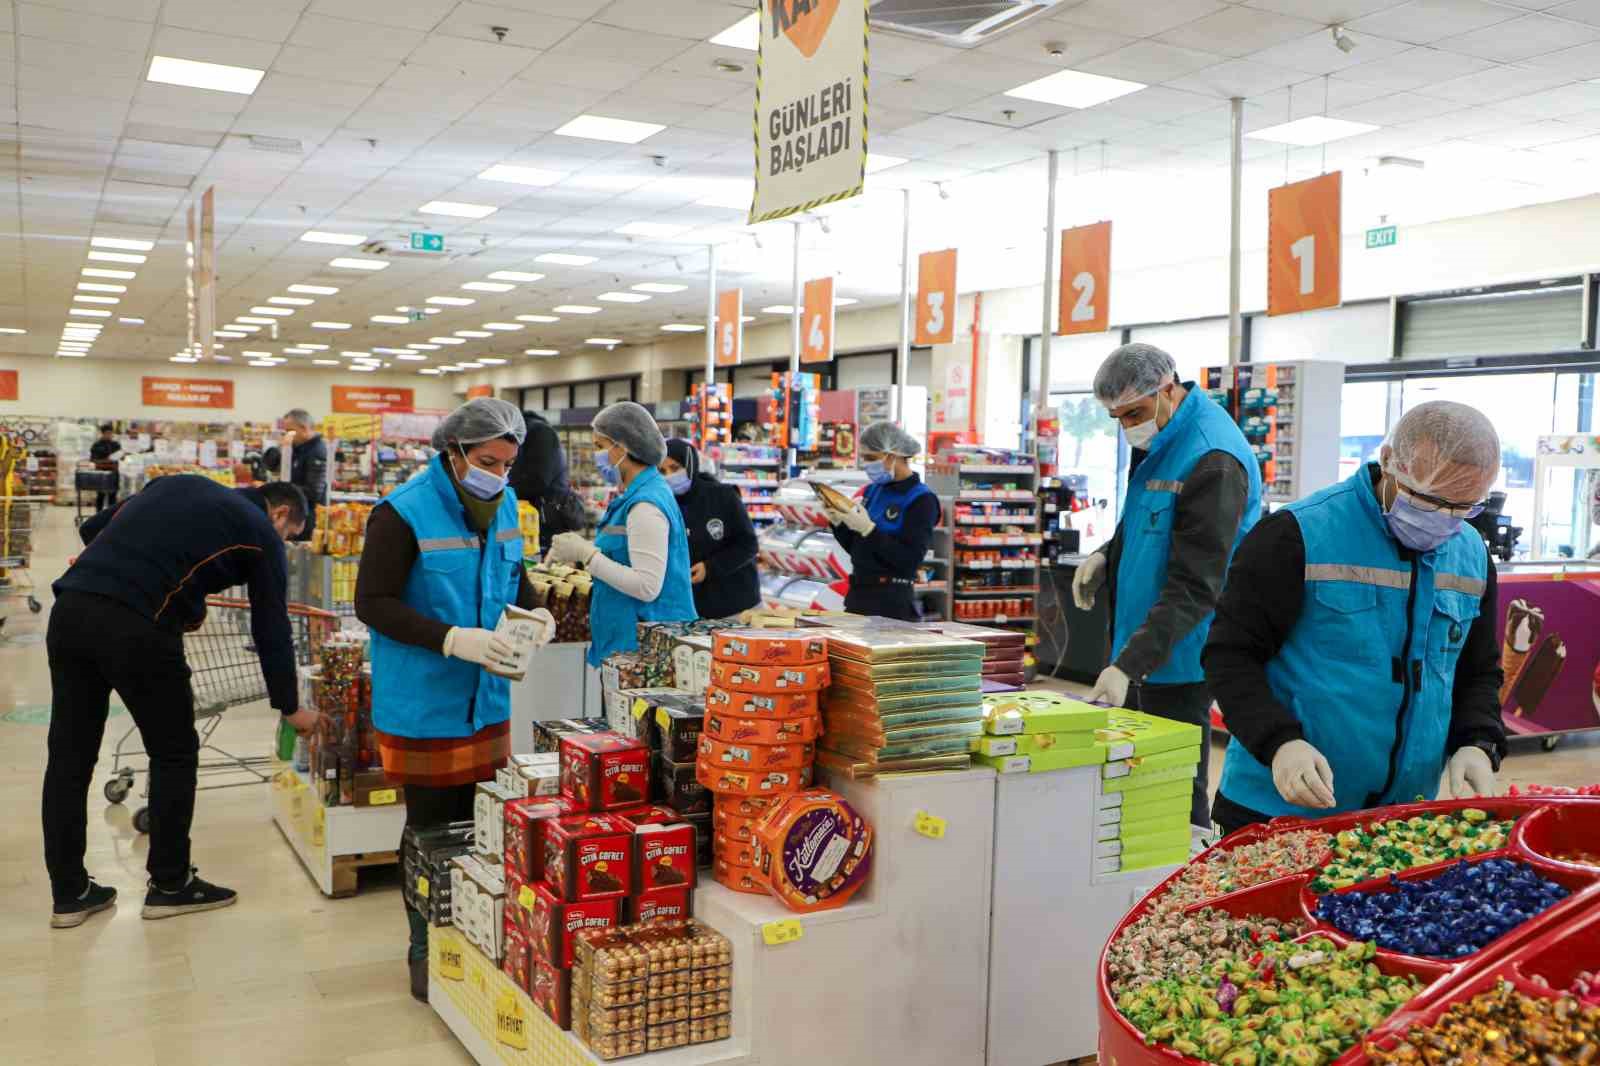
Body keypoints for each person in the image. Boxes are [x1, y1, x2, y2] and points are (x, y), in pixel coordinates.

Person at [1204, 401, 1505, 836]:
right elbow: (1229, 655)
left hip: (1402, 819)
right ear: (1389, 462)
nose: (1443, 521)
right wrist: (1278, 742)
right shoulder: (1297, 534)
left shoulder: (1471, 556)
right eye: (1428, 501)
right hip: (1276, 809)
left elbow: (1477, 670)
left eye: (1463, 507)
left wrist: (1477, 741)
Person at [44, 476, 318, 929]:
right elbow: (271, 626)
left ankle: (70, 893)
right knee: (173, 751)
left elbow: (93, 528)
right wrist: (290, 706)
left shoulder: (178, 485)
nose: (284, 544)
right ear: (281, 514)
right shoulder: (261, 533)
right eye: (290, 536)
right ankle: (171, 885)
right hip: (138, 626)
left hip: (70, 609)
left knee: (69, 757)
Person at [353, 397, 553, 1002]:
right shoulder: (402, 513)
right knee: (429, 827)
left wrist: (536, 612)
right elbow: (373, 603)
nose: (498, 474)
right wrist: (451, 639)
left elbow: (514, 577)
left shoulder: (507, 506)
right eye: (487, 461)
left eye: (508, 464)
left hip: (487, 699)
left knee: (480, 826)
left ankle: (470, 933)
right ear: (454, 452)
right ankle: (424, 947)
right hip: (425, 701)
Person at [1071, 343, 1261, 830]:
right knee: (1136, 779)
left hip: (1179, 655)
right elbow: (1145, 518)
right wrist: (1107, 554)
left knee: (1171, 788)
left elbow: (1197, 585)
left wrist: (1127, 665)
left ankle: (1183, 872)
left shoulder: (1213, 459)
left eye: (1133, 413)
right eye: (1116, 417)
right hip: (1141, 646)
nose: (1127, 427)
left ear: (1168, 388)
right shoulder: (1160, 438)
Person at [546, 401, 697, 665]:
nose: (597, 457)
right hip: (628, 643)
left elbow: (646, 586)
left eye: (600, 447)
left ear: (623, 447)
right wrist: (583, 551)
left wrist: (588, 555)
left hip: (645, 651)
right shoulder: (635, 496)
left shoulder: (646, 504)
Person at [823, 420, 940, 622]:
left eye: (871, 458)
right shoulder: (872, 491)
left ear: (893, 455)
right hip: (859, 594)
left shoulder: (921, 499)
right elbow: (858, 549)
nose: (866, 465)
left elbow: (909, 560)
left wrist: (869, 530)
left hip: (891, 601)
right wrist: (839, 524)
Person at [660, 438, 760, 620]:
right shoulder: (664, 503)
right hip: (692, 609)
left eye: (675, 468)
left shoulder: (723, 496)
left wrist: (710, 567)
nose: (669, 476)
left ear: (691, 465)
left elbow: (749, 544)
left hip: (735, 605)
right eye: (662, 471)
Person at [508, 408, 584, 552]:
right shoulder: (531, 432)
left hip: (544, 522)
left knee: (541, 561)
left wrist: (503, 491)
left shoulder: (539, 432)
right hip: (534, 519)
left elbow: (537, 480)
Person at [278, 408, 328, 542]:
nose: (287, 435)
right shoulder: (298, 448)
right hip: (297, 516)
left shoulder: (317, 451)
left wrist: (284, 489)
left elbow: (314, 491)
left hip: (307, 520)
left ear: (304, 428)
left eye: (290, 431)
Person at [87, 423, 120, 511]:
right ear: (103, 433)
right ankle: (99, 514)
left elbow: (120, 457)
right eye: (108, 433)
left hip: (113, 473)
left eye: (111, 433)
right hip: (101, 474)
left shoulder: (115, 445)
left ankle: (111, 516)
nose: (110, 435)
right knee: (100, 496)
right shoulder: (97, 445)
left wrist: (121, 457)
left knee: (112, 497)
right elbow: (93, 460)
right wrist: (106, 460)